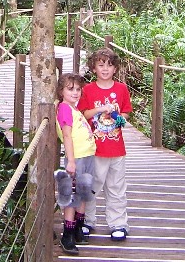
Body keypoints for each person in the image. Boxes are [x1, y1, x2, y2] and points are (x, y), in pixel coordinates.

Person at [78, 47, 132, 242]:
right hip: (95, 147)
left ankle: (118, 224)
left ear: (115, 69)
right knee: (93, 184)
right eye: (101, 65)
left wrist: (118, 118)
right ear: (93, 68)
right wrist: (101, 109)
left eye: (109, 65)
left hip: (117, 148)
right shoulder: (87, 90)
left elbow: (125, 113)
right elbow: (84, 114)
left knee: (117, 186)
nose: (105, 69)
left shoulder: (122, 89)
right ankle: (87, 220)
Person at [54, 73, 96, 255]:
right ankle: (68, 234)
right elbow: (67, 135)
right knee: (72, 196)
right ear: (61, 91)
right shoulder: (64, 108)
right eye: (70, 89)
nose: (75, 93)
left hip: (87, 156)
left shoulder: (74, 109)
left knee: (83, 192)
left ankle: (78, 226)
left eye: (78, 89)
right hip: (76, 158)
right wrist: (70, 161)